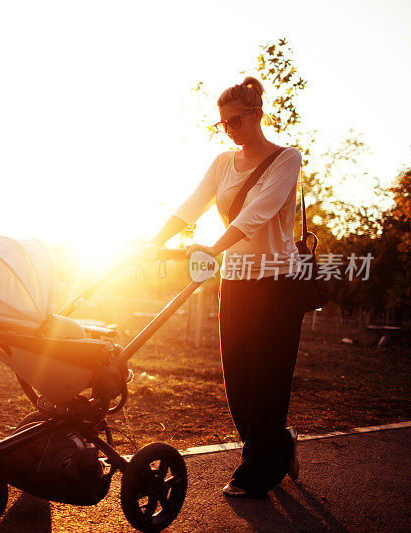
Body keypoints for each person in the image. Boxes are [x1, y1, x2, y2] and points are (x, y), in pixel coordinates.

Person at [139, 76, 304, 498]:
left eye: (237, 120)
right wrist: (156, 240)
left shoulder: (287, 158)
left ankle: (259, 469)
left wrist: (212, 249)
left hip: (276, 282)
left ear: (258, 114)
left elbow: (257, 213)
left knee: (267, 378)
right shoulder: (222, 163)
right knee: (239, 381)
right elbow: (194, 203)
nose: (230, 129)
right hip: (234, 281)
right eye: (224, 123)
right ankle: (276, 445)